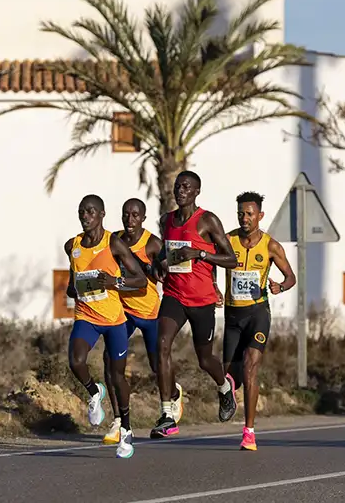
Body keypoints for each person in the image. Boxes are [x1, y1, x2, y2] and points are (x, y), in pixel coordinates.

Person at [150, 170, 240, 438]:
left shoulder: (207, 220)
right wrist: (158, 266)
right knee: (161, 344)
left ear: (197, 192)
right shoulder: (166, 220)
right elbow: (165, 253)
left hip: (201, 300)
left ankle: (224, 386)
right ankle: (167, 414)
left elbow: (231, 259)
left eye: (186, 187)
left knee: (205, 359)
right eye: (178, 186)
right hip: (174, 295)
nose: (181, 191)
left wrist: (200, 253)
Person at [64, 194, 150, 458]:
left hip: (114, 321)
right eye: (82, 212)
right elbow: (72, 281)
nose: (85, 216)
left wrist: (115, 282)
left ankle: (126, 428)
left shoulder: (113, 243)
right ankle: (94, 392)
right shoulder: (72, 245)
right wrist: (73, 288)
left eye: (90, 211)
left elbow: (141, 280)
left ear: (101, 214)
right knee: (76, 361)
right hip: (87, 316)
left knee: (117, 376)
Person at [222, 190, 296, 451]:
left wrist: (281, 287)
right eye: (241, 213)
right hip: (232, 314)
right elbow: (208, 264)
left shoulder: (271, 246)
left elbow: (290, 277)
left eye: (249, 214)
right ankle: (228, 391)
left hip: (258, 314)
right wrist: (213, 287)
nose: (245, 218)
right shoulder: (227, 240)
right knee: (228, 375)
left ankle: (249, 432)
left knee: (250, 368)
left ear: (260, 216)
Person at [101, 198, 165, 445]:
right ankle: (119, 420)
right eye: (126, 214)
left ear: (143, 218)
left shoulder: (152, 243)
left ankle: (171, 397)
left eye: (135, 215)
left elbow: (167, 271)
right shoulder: (114, 240)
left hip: (150, 312)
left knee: (158, 365)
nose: (130, 220)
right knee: (110, 359)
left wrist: (158, 269)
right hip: (123, 311)